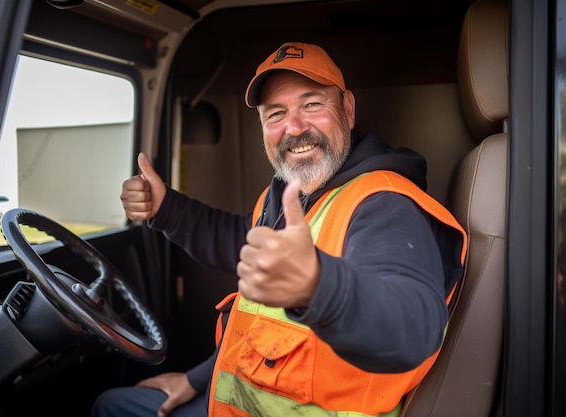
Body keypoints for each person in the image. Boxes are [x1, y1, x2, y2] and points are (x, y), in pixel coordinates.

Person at [92, 41, 467, 417]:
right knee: (111, 404)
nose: (295, 127)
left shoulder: (384, 204)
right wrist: (166, 208)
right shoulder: (292, 195)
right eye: (275, 114)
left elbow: (413, 325)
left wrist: (321, 287)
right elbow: (238, 242)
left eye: (312, 104)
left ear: (347, 110)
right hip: (232, 400)